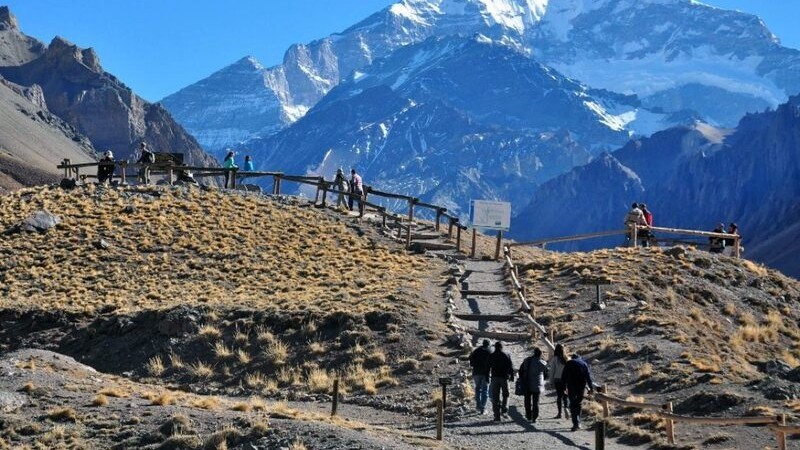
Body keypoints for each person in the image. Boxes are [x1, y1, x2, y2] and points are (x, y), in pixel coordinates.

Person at [562, 353, 594, 431]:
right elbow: (588, 377)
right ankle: (578, 422)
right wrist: (591, 388)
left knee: (572, 404)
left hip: (571, 386)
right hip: (581, 386)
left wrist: (563, 387)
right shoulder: (584, 363)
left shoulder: (569, 363)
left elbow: (563, 376)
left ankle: (575, 423)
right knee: (578, 403)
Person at [519, 347, 548, 423]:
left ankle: (528, 416)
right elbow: (547, 373)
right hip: (537, 385)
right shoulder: (542, 363)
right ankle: (535, 417)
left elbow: (520, 371)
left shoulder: (526, 360)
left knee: (527, 401)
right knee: (536, 402)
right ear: (540, 355)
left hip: (527, 383)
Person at [488, 341, 514, 422]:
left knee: (495, 397)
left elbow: (487, 367)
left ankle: (496, 416)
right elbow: (511, 367)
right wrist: (512, 376)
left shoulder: (491, 356)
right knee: (506, 394)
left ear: (495, 347)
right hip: (504, 377)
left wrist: (486, 376)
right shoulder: (506, 355)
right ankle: (504, 408)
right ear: (501, 347)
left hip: (495, 377)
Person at [468, 340, 492, 415]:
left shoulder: (476, 351)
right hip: (485, 374)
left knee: (478, 388)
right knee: (485, 390)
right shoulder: (489, 351)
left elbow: (471, 361)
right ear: (488, 345)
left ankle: (478, 405)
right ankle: (483, 407)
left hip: (476, 373)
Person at [548, 344, 570, 420]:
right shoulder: (567, 358)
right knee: (565, 395)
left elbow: (552, 371)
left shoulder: (555, 359)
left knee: (559, 396)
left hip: (557, 379)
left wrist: (551, 381)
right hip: (566, 379)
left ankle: (559, 413)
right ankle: (566, 408)